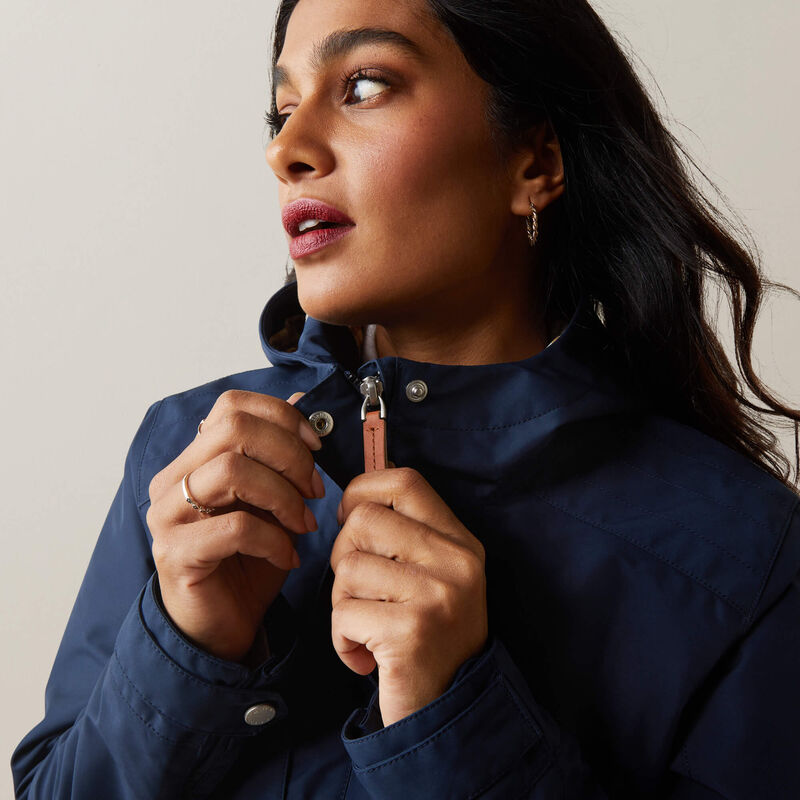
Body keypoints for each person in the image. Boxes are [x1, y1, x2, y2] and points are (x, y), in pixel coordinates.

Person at [12, 0, 800, 797]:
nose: (285, 149)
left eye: (363, 86)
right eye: (282, 111)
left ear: (534, 162)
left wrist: (455, 716)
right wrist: (185, 651)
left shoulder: (745, 554)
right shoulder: (190, 459)